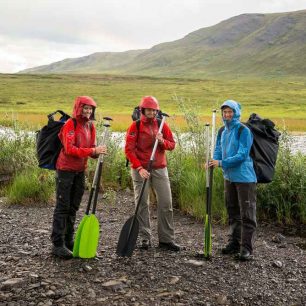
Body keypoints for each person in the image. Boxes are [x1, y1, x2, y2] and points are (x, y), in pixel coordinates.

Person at [51, 96, 107, 259]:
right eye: (85, 108)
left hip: (79, 171)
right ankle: (57, 244)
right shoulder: (71, 124)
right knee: (63, 206)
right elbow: (70, 149)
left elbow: (90, 149)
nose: (88, 111)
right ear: (78, 108)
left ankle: (69, 241)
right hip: (65, 170)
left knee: (73, 207)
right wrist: (92, 151)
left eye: (91, 108)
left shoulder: (90, 125)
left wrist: (98, 152)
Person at [125, 96, 182, 252]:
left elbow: (172, 145)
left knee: (166, 203)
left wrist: (162, 141)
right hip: (140, 169)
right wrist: (139, 168)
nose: (151, 112)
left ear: (157, 111)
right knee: (142, 203)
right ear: (142, 110)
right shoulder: (135, 126)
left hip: (159, 168)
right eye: (148, 109)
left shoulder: (161, 124)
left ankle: (166, 239)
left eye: (154, 110)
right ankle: (145, 238)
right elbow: (129, 150)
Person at [209, 100, 257, 261]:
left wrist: (221, 163)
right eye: (225, 112)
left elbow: (242, 155)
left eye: (230, 112)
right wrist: (213, 161)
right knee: (232, 211)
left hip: (244, 178)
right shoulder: (222, 130)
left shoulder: (244, 130)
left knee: (247, 213)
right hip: (228, 177)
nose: (227, 115)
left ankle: (246, 248)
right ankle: (234, 243)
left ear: (236, 112)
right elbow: (217, 149)